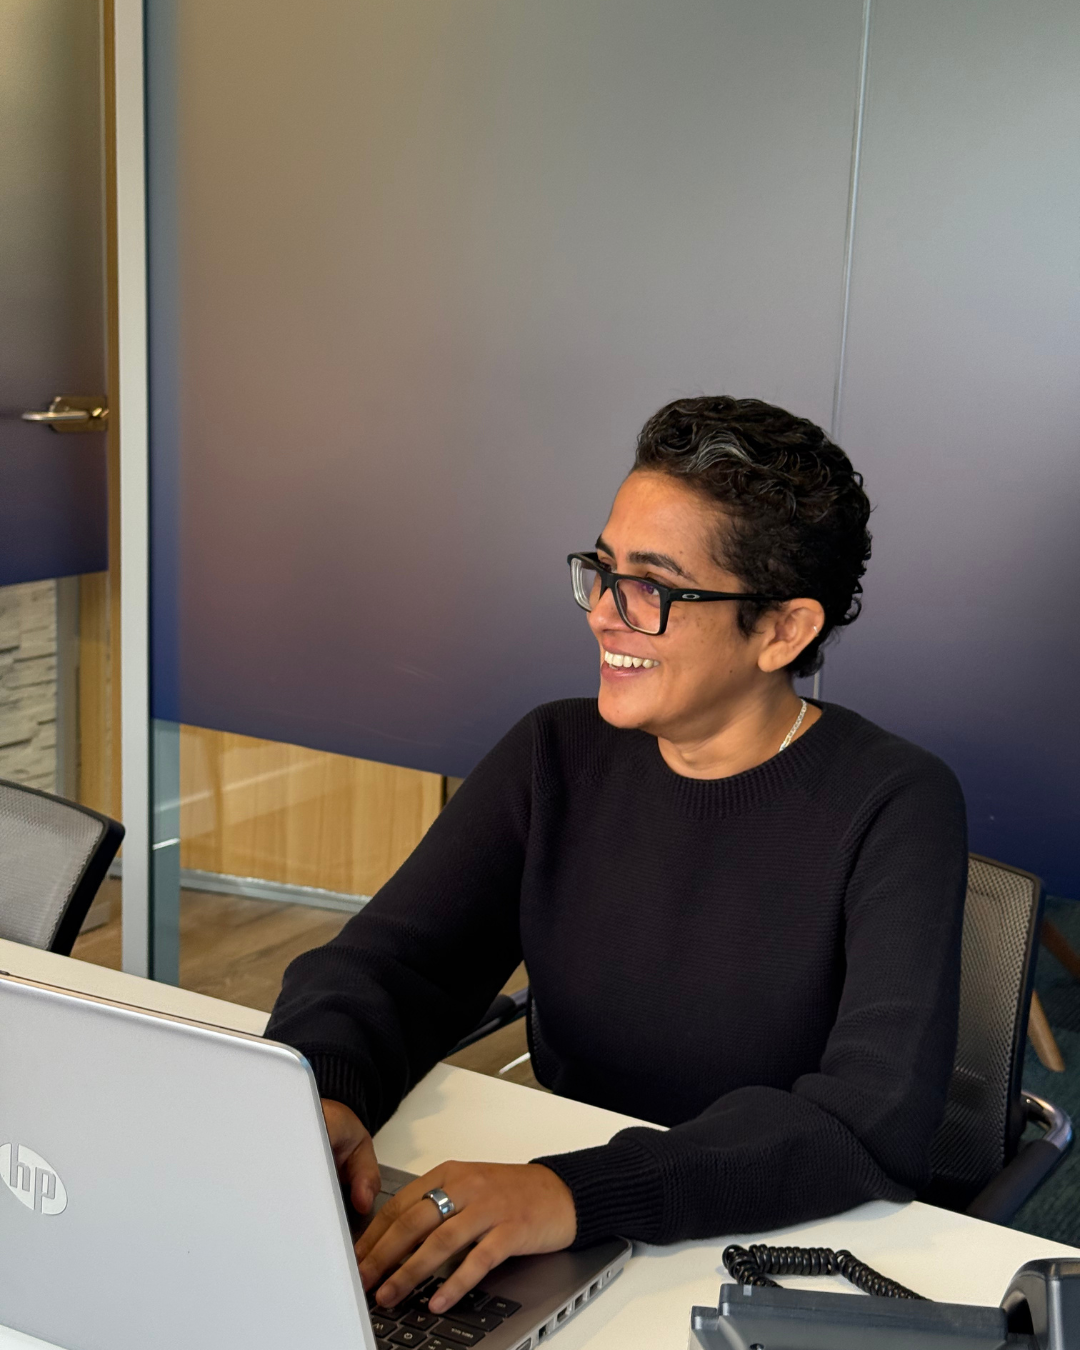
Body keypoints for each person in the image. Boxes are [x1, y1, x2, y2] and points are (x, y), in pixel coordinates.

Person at [266, 395, 967, 1318]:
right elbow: (392, 964)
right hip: (569, 1245)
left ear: (784, 631)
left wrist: (574, 1193)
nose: (604, 614)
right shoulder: (555, 752)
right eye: (602, 569)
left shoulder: (896, 803)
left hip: (761, 1258)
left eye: (656, 587)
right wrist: (324, 1092)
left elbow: (866, 1121)